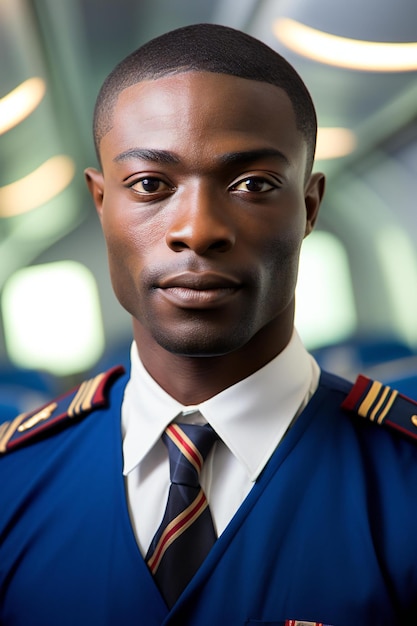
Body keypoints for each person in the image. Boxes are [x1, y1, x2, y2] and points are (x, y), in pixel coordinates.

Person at [1, 23, 417, 626]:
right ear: (101, 205)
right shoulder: (13, 482)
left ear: (308, 208)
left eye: (252, 184)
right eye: (150, 185)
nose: (197, 229)